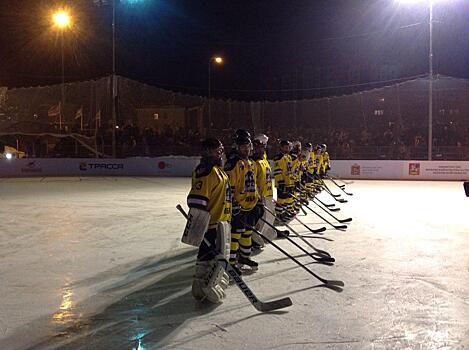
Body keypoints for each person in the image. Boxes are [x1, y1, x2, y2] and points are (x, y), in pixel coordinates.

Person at [184, 138, 232, 303]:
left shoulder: (218, 170)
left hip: (221, 221)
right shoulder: (207, 171)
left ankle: (206, 285)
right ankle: (203, 285)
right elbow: (196, 200)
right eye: (216, 151)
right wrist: (200, 224)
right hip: (211, 223)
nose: (220, 153)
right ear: (207, 152)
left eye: (220, 150)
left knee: (214, 257)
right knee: (208, 255)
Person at [225, 133, 259, 271]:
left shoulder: (250, 162)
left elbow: (253, 183)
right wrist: (233, 203)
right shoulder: (233, 164)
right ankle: (231, 262)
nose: (246, 149)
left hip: (251, 204)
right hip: (239, 206)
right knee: (236, 234)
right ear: (237, 147)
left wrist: (257, 198)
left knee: (247, 232)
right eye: (243, 147)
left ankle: (245, 256)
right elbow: (229, 187)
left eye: (248, 146)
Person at [273, 140, 295, 223]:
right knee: (281, 199)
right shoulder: (278, 157)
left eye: (289, 147)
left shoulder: (288, 157)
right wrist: (281, 182)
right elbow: (277, 171)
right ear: (281, 147)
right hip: (282, 183)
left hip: (289, 182)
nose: (288, 149)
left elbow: (290, 170)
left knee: (287, 199)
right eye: (286, 147)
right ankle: (278, 215)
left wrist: (293, 180)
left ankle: (284, 213)